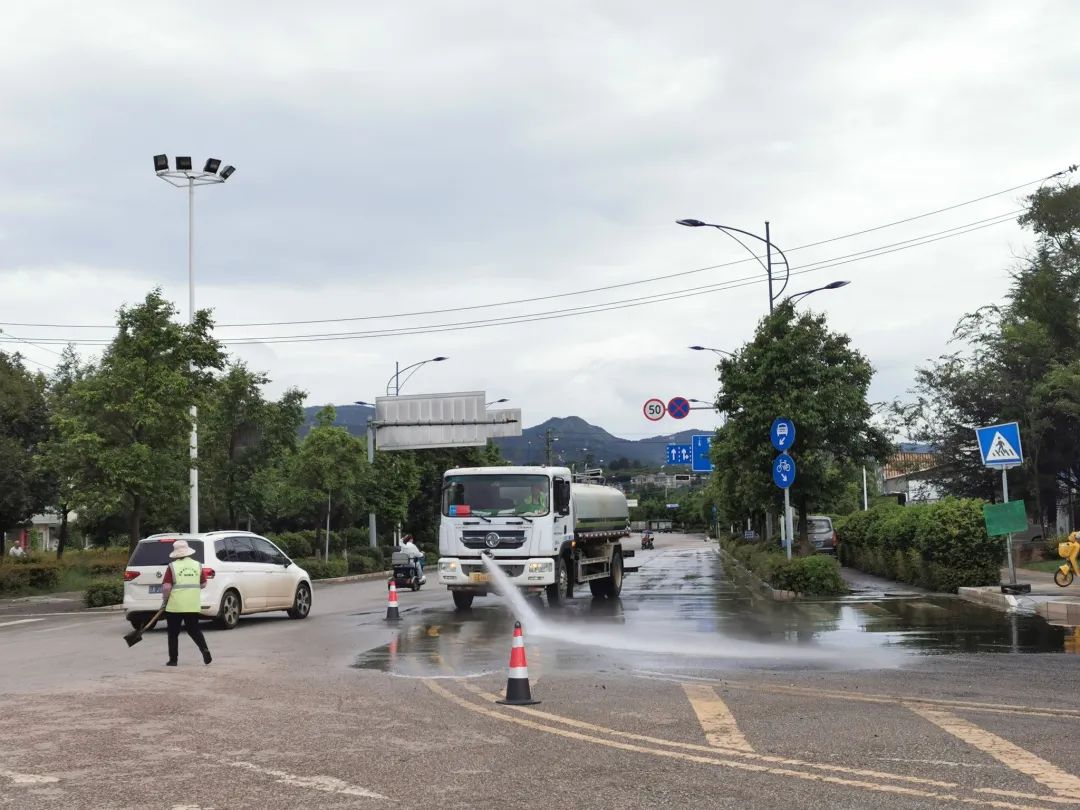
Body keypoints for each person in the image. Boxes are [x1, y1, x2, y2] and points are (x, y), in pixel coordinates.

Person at [160, 539, 212, 667]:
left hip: (175, 606)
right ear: (188, 552)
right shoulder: (197, 565)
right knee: (194, 630)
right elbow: (204, 583)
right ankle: (205, 650)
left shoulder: (172, 566)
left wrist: (165, 600)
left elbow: (166, 587)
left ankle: (173, 660)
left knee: (173, 633)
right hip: (192, 604)